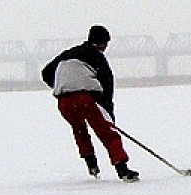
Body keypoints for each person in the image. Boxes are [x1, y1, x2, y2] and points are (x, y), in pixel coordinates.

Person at [41, 25, 140, 182]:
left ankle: (91, 165)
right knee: (108, 133)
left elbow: (46, 73)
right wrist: (108, 112)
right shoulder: (97, 56)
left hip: (64, 102)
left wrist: (62, 85)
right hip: (85, 99)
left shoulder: (67, 54)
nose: (106, 47)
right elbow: (107, 83)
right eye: (106, 43)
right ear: (101, 43)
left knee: (79, 131)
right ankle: (123, 169)